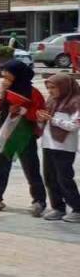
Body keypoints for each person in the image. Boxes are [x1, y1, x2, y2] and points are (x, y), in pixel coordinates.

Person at [0, 60, 47, 214]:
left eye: (8, 74)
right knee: (1, 168)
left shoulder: (33, 93)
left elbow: (40, 114)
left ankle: (39, 200)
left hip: (25, 136)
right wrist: (1, 91)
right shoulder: (5, 90)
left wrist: (23, 111)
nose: (4, 77)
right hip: (4, 135)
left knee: (31, 168)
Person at [39, 74, 80, 222]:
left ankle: (77, 208)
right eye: (48, 88)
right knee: (50, 178)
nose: (50, 91)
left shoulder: (76, 102)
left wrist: (53, 120)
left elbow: (74, 126)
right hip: (48, 144)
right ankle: (58, 207)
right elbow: (45, 122)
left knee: (64, 178)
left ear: (64, 87)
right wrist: (41, 119)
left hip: (64, 147)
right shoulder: (51, 100)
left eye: (53, 87)